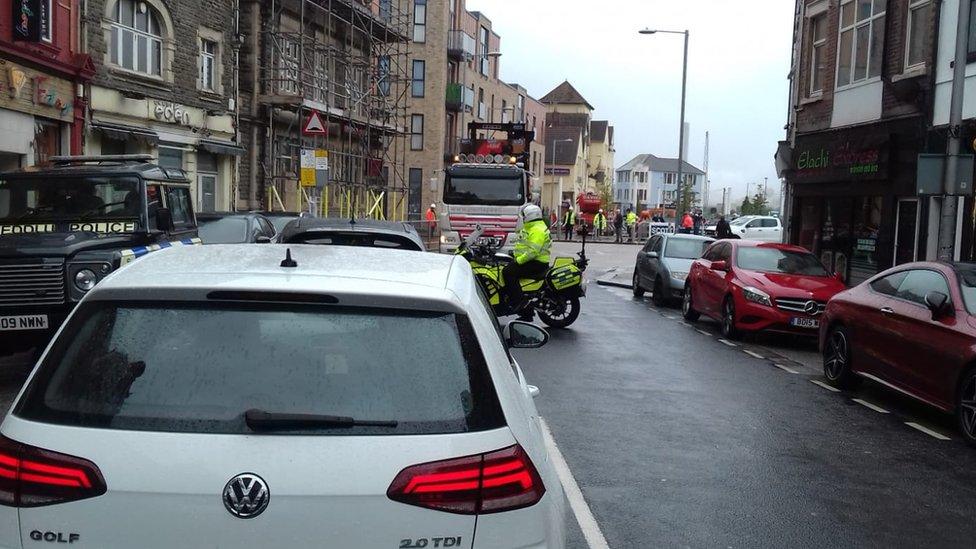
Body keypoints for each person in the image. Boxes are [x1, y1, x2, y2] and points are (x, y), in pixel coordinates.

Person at [504, 204, 552, 320]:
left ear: (530, 216)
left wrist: (519, 261)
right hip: (532, 261)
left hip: (537, 263)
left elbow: (533, 252)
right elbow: (523, 244)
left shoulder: (537, 230)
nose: (523, 218)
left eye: (524, 216)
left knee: (508, 273)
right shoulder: (531, 227)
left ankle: (520, 303)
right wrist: (513, 254)